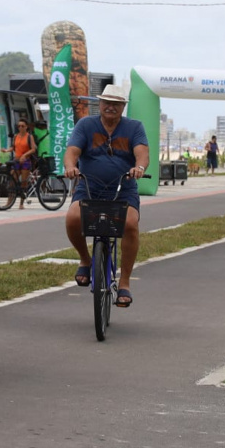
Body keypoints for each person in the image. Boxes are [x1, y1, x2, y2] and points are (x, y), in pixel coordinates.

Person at [63, 84, 149, 308]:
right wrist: (70, 167)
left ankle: (125, 282)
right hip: (89, 186)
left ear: (123, 107)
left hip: (123, 188)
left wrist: (138, 168)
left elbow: (142, 154)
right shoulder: (86, 125)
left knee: (130, 224)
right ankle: (85, 258)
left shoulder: (134, 127)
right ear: (99, 104)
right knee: (73, 217)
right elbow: (72, 151)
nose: (111, 107)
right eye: (107, 102)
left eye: (116, 103)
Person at [2, 117, 37, 208]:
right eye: (19, 126)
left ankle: (21, 203)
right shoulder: (16, 136)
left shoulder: (29, 137)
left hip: (25, 161)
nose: (20, 128)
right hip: (17, 160)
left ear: (26, 127)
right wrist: (6, 150)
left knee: (24, 182)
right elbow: (13, 147)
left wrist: (25, 155)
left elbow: (33, 149)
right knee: (12, 180)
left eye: (22, 126)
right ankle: (9, 201)